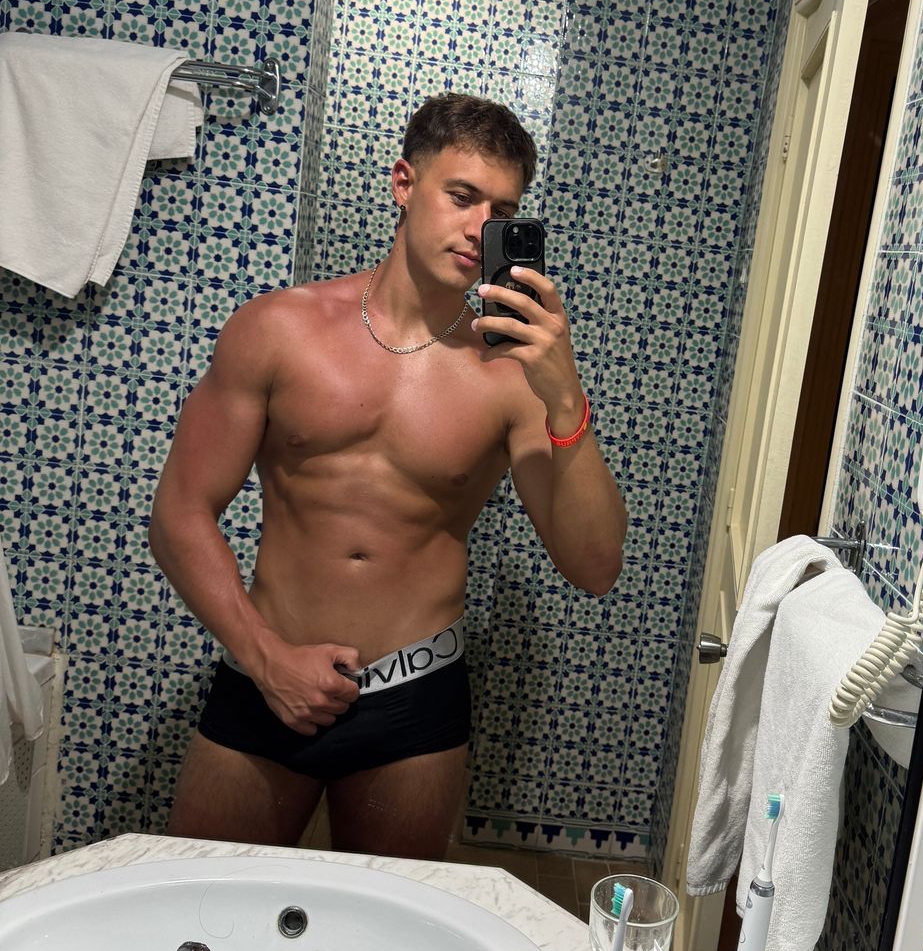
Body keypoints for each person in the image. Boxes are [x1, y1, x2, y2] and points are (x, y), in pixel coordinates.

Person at [149, 92, 627, 859]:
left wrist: (566, 397)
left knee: (388, 932)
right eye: (461, 196)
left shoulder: (512, 376)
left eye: (501, 211)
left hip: (414, 699)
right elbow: (179, 513)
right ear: (405, 183)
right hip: (265, 671)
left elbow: (595, 566)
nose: (478, 228)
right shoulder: (278, 330)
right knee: (202, 914)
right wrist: (266, 658)